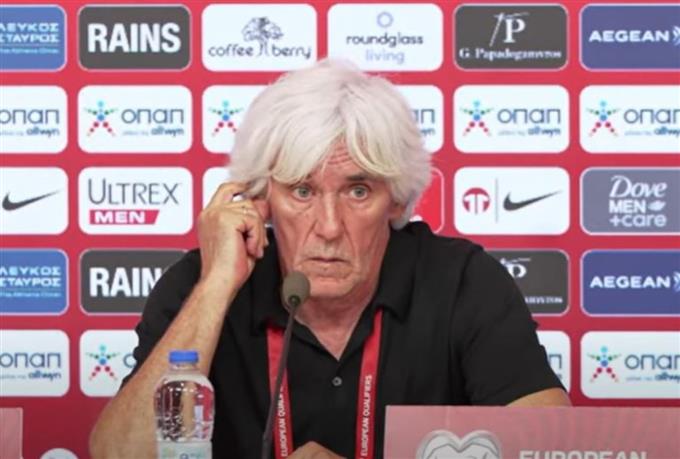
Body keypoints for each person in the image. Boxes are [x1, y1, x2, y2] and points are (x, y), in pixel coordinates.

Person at [89, 59, 570, 459]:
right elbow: (117, 454)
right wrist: (216, 286)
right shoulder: (200, 284)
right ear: (260, 199)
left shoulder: (462, 281)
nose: (330, 226)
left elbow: (551, 448)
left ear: (397, 199)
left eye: (358, 191)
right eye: (302, 191)